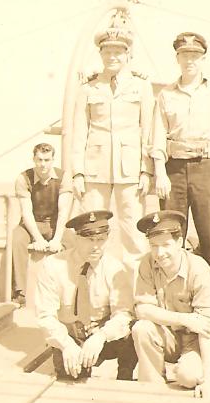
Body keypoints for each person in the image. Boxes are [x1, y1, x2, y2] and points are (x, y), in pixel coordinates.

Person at [150, 32, 210, 270]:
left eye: (195, 56)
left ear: (203, 59)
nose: (190, 61)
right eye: (184, 55)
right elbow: (157, 138)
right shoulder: (166, 95)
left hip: (207, 167)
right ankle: (172, 289)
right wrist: (159, 172)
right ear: (177, 58)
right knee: (170, 232)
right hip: (174, 169)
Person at [70, 26, 154, 262]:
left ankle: (138, 285)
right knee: (92, 227)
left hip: (130, 170)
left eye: (118, 52)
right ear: (100, 54)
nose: (113, 57)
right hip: (94, 169)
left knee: (133, 229)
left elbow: (147, 131)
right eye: (107, 52)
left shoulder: (141, 87)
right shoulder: (88, 88)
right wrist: (77, 172)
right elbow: (79, 132)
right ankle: (91, 281)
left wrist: (146, 170)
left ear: (128, 55)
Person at [35, 210, 137, 381]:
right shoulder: (52, 266)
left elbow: (124, 313)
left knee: (132, 333)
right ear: (76, 238)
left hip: (103, 336)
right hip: (71, 338)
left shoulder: (115, 269)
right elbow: (46, 316)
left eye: (101, 240)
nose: (96, 246)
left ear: (108, 239)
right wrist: (66, 345)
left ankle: (124, 378)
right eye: (89, 240)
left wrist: (101, 337)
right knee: (70, 379)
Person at [131, 210, 210, 398]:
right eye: (154, 246)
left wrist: (209, 381)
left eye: (165, 245)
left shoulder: (198, 269)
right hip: (167, 335)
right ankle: (152, 389)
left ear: (179, 242)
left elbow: (206, 328)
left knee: (189, 377)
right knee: (142, 328)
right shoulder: (147, 263)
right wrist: (184, 318)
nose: (159, 253)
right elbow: (143, 310)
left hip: (193, 341)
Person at [11, 143, 73, 305]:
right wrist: (37, 239)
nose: (43, 164)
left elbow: (63, 212)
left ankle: (72, 289)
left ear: (53, 160)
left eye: (47, 160)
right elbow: (26, 213)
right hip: (32, 223)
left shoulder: (64, 177)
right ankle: (20, 292)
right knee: (16, 240)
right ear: (34, 159)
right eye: (39, 160)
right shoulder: (23, 178)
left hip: (54, 224)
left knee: (74, 242)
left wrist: (57, 239)